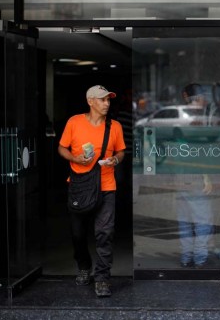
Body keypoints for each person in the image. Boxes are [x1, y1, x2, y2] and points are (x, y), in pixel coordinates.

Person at [58, 85, 126, 298]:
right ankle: (84, 266)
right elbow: (61, 148)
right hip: (80, 185)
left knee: (105, 233)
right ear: (90, 101)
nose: (107, 103)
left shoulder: (114, 126)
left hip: (106, 186)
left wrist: (116, 159)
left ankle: (102, 278)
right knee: (78, 234)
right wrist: (75, 158)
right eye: (102, 100)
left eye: (108, 100)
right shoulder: (74, 122)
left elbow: (121, 151)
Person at [175, 83, 214, 268]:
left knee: (184, 220)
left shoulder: (178, 115)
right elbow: (199, 152)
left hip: (179, 174)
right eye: (202, 97)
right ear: (196, 98)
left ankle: (186, 257)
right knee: (202, 220)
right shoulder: (196, 118)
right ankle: (200, 258)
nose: (204, 101)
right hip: (194, 175)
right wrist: (206, 177)